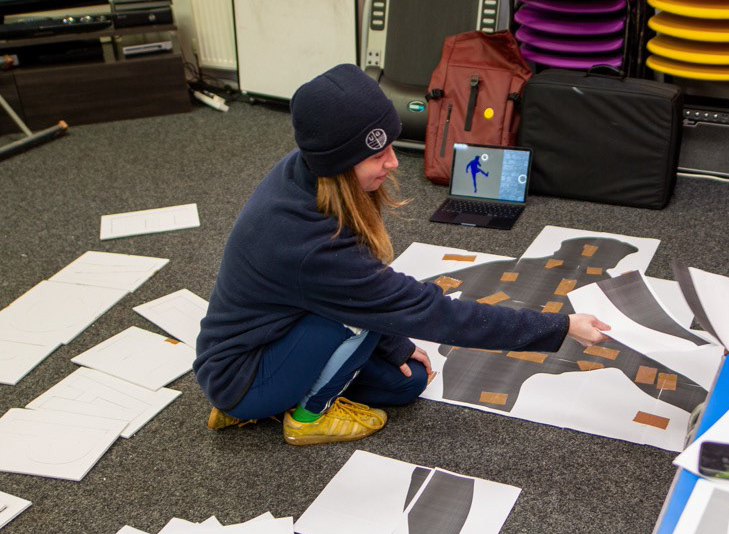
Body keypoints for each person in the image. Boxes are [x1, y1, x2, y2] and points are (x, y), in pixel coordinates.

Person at [194, 64, 610, 446]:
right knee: (367, 315)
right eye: (377, 155)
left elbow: (365, 290)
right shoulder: (309, 245)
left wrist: (394, 347)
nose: (393, 162)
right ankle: (305, 418)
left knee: (406, 382)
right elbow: (430, 313)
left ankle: (270, 402)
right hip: (241, 375)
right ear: (339, 164)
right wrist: (560, 325)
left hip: (282, 333)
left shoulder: (308, 170)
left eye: (391, 147)